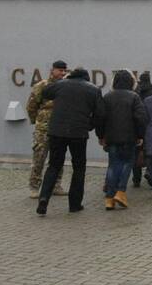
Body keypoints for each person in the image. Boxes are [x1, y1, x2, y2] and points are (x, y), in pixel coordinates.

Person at [36, 68, 105, 216]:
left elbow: (45, 92)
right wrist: (90, 126)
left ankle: (43, 198)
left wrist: (62, 79)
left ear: (71, 75)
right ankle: (74, 204)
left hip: (56, 132)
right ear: (86, 78)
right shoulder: (93, 89)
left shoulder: (61, 84)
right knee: (79, 168)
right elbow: (100, 114)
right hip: (79, 133)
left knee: (53, 165)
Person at [97, 70, 148, 211]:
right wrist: (140, 135)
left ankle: (109, 198)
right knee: (127, 163)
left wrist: (101, 135)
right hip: (129, 137)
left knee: (113, 165)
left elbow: (100, 117)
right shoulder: (134, 97)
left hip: (111, 137)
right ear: (131, 82)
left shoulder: (107, 97)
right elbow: (141, 118)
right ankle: (120, 192)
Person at [25, 59, 68, 198]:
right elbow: (31, 106)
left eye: (64, 71)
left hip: (60, 128)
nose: (62, 73)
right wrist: (37, 121)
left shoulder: (66, 87)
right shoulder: (42, 86)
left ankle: (56, 185)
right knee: (39, 158)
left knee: (58, 159)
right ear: (52, 70)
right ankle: (34, 187)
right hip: (43, 130)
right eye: (59, 70)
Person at [132, 71, 152, 187]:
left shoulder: (136, 92)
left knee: (137, 152)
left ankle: (136, 179)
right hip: (150, 126)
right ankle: (149, 171)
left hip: (137, 126)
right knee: (150, 152)